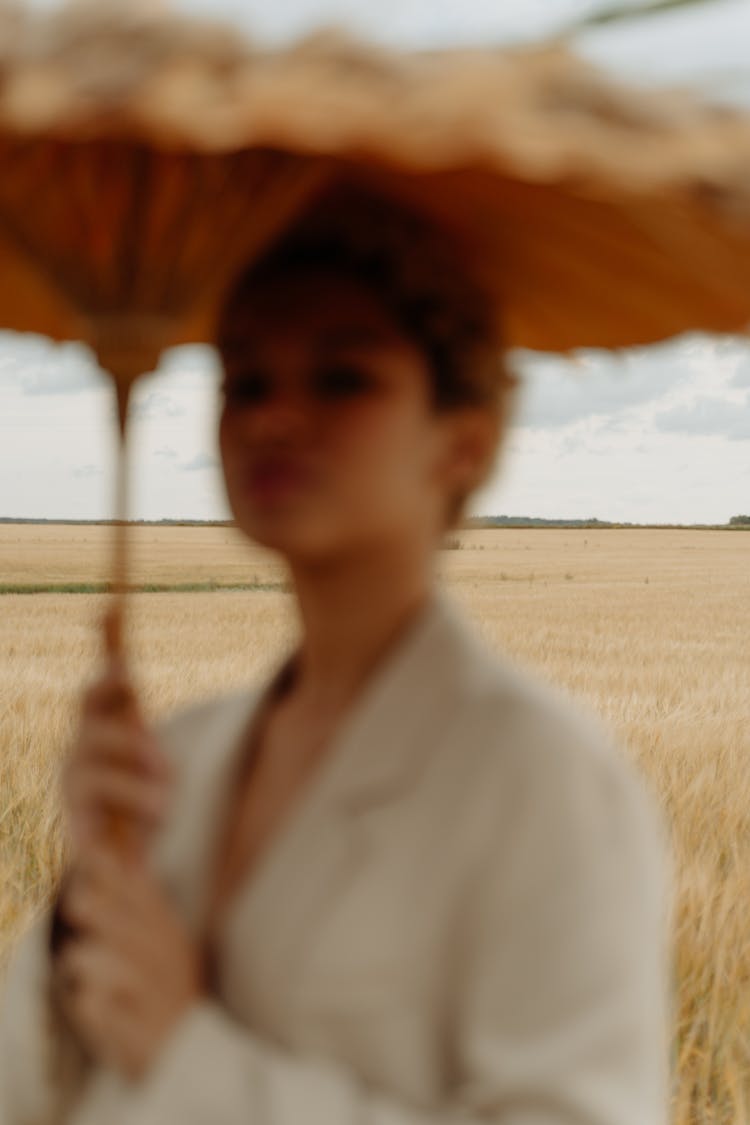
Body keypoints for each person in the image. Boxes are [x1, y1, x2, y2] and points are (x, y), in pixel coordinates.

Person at [0, 185, 670, 1125]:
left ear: (464, 445)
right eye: (246, 379)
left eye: (342, 377)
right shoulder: (175, 757)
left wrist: (188, 1059)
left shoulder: (542, 779)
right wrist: (88, 879)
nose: (274, 416)